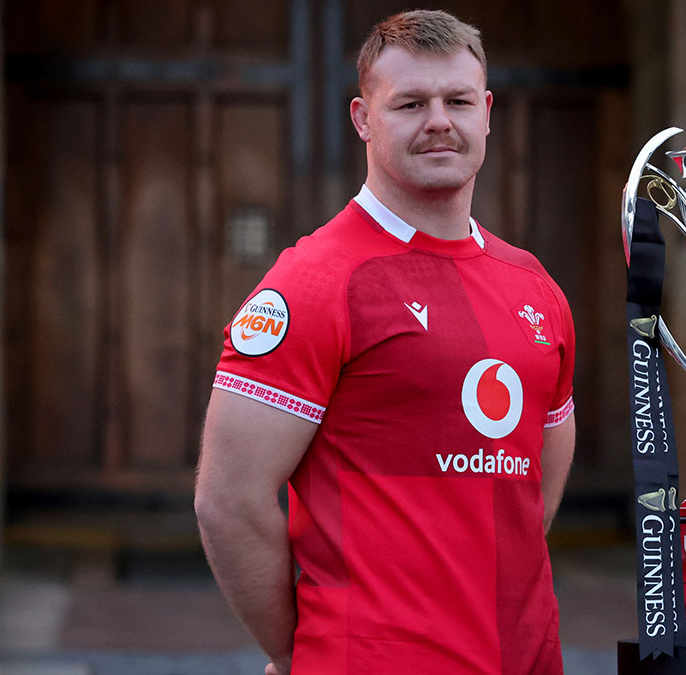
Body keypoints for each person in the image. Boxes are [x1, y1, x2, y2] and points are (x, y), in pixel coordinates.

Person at [194, 10, 576, 675]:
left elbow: (532, 488)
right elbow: (227, 500)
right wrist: (297, 651)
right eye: (410, 103)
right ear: (363, 119)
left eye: (458, 101)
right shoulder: (314, 282)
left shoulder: (534, 286)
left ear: (487, 113)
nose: (439, 121)